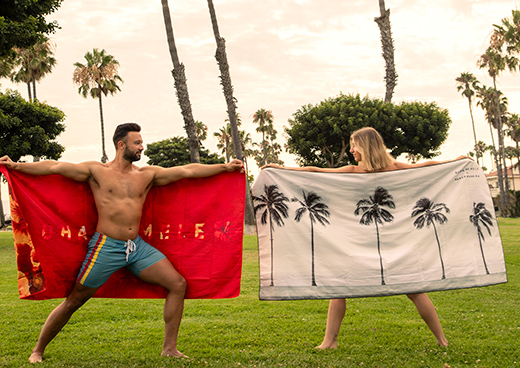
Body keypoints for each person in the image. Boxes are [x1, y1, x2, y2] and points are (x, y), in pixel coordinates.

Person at [0, 122, 244, 363]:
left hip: (136, 248)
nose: (141, 147)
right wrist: (15, 166)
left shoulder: (148, 174)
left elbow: (186, 171)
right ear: (121, 144)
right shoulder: (97, 171)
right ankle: (38, 350)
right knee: (75, 300)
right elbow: (55, 167)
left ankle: (169, 349)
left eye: (141, 142)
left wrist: (225, 167)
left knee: (177, 284)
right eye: (137, 143)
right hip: (105, 247)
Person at [262, 126, 467, 350]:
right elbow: (316, 172)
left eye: (354, 145)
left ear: (366, 146)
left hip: (393, 242)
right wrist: (281, 169)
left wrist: (454, 163)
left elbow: (425, 167)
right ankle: (329, 342)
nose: (351, 150)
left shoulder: (395, 168)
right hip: (358, 242)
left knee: (415, 289)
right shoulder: (352, 170)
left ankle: (442, 340)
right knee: (338, 288)